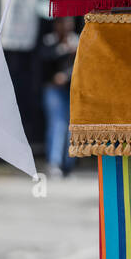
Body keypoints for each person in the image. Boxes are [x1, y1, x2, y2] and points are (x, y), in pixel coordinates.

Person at [41, 17, 79, 177]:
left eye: (68, 23)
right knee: (57, 125)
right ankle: (54, 162)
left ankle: (69, 163)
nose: (66, 26)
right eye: (63, 23)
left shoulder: (77, 41)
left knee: (72, 127)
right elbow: (43, 62)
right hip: (53, 89)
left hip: (72, 90)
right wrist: (62, 50)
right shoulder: (49, 41)